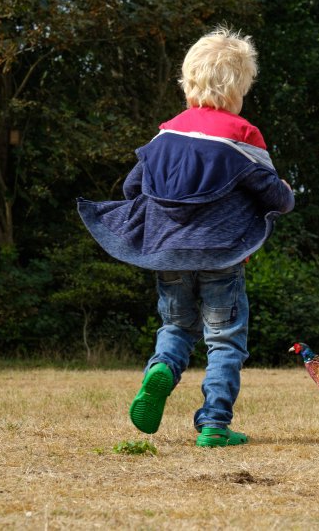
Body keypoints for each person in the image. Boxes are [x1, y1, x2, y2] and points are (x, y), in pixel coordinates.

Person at [77, 26, 294, 447]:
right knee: (225, 341)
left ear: (188, 80)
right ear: (238, 87)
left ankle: (161, 369)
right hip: (221, 256)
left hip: (169, 253)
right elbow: (274, 197)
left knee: (176, 327)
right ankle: (214, 425)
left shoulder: (165, 135)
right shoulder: (242, 135)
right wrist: (286, 190)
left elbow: (131, 189)